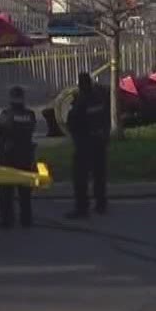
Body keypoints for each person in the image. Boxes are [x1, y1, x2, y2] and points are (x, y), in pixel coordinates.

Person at [64, 71, 109, 218]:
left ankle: (82, 208)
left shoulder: (81, 101)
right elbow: (106, 117)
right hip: (100, 141)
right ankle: (101, 204)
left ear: (80, 85)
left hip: (85, 143)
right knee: (99, 174)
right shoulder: (99, 97)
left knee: (80, 177)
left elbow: (72, 122)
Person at [0, 85, 37, 229]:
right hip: (25, 155)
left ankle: (6, 219)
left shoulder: (6, 114)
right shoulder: (30, 115)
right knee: (24, 190)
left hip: (8, 156)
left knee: (6, 190)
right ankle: (26, 219)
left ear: (11, 99)